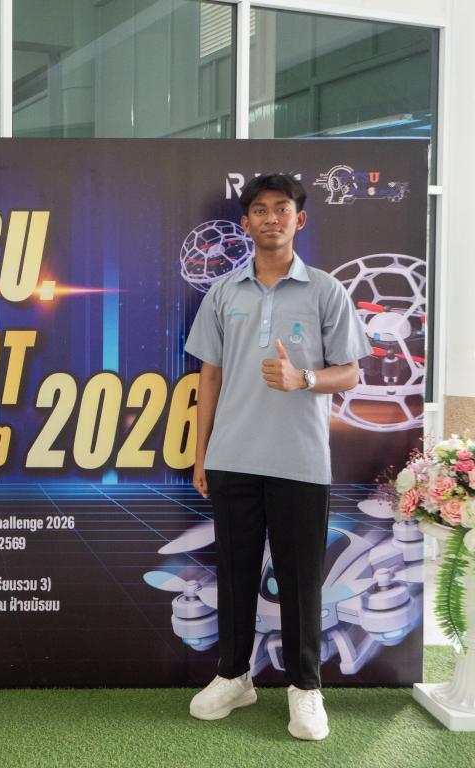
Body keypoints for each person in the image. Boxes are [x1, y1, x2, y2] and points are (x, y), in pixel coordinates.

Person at [184, 174, 370, 741]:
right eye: (260, 210)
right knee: (235, 575)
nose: (271, 218)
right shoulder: (223, 293)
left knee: (300, 580)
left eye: (282, 209)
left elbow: (351, 372)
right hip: (233, 457)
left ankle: (305, 688)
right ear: (245, 223)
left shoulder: (325, 291)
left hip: (300, 461)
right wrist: (201, 456)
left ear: (299, 219)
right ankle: (233, 677)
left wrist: (303, 378)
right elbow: (208, 378)